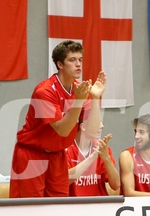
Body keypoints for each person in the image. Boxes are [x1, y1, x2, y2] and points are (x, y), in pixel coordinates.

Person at [10, 40, 105, 198]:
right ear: (60, 64)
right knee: (30, 210)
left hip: (58, 155)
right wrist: (79, 101)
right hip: (33, 154)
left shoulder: (80, 89)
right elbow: (62, 130)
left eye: (80, 60)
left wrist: (95, 98)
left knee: (59, 208)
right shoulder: (45, 91)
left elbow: (93, 130)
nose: (78, 64)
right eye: (72, 60)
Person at [67, 121, 120, 196]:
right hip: (73, 206)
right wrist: (92, 157)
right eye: (97, 121)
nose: (102, 126)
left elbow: (116, 185)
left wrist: (106, 158)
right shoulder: (66, 149)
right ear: (83, 126)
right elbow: (64, 180)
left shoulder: (102, 148)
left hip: (99, 205)